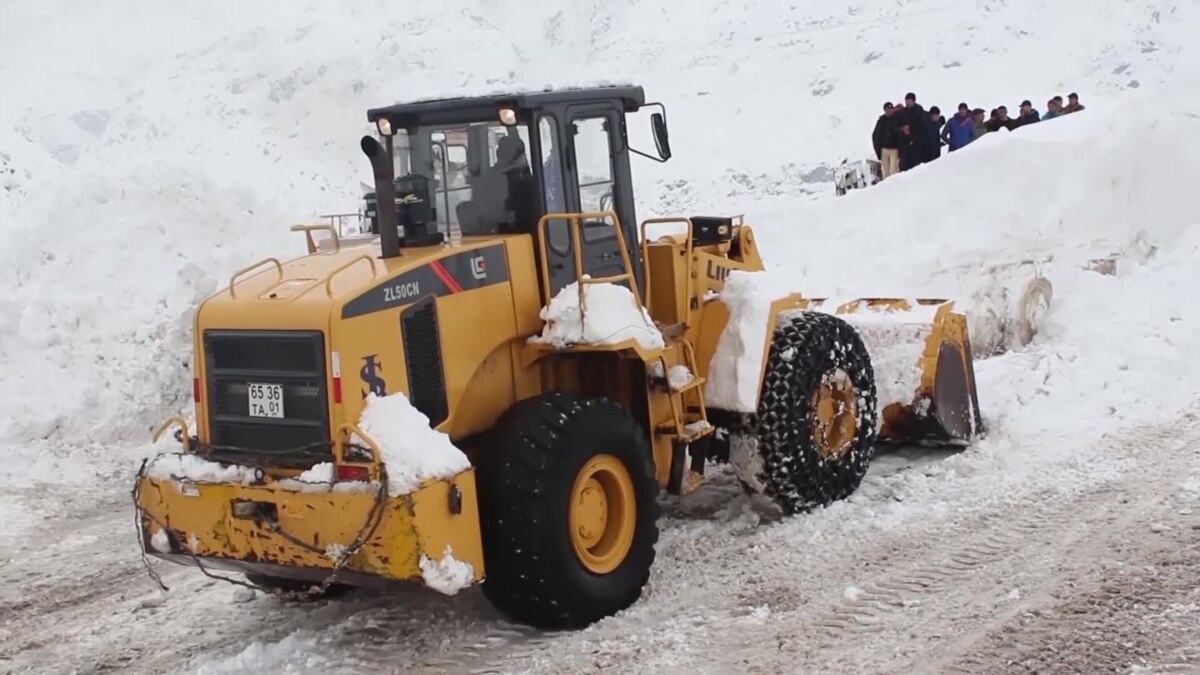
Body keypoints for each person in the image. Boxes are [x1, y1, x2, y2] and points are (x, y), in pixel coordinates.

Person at [897, 92, 927, 171]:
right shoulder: (902, 112)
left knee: (916, 165)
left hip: (917, 142)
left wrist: (911, 128)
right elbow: (896, 125)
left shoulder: (919, 111)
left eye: (909, 101)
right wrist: (902, 128)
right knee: (904, 165)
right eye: (906, 101)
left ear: (914, 101)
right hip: (905, 143)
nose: (907, 103)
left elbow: (922, 125)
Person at [872, 101, 901, 179]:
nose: (889, 111)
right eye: (887, 109)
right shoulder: (881, 121)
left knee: (894, 171)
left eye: (890, 109)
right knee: (885, 172)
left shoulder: (898, 119)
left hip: (895, 149)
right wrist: (878, 151)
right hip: (884, 150)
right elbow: (875, 135)